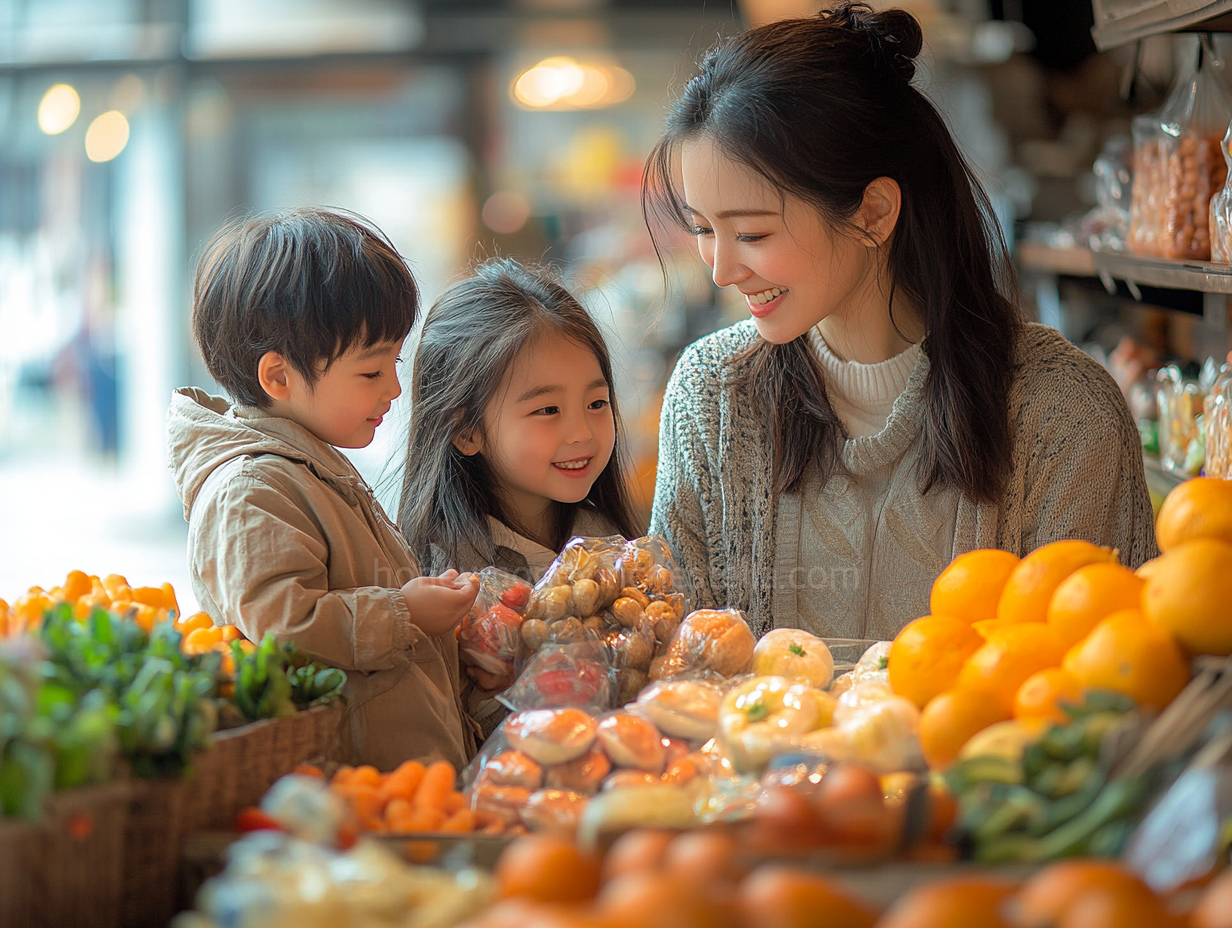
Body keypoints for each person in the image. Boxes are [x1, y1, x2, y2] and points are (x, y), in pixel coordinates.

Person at [642, 3, 1157, 642]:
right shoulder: (711, 397)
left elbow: (1099, 690)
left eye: (751, 232)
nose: (720, 271)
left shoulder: (1063, 417)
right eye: (701, 229)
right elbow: (675, 669)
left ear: (874, 213)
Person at [167, 208, 478, 772]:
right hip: (346, 792)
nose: (395, 388)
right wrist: (404, 614)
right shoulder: (250, 489)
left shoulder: (310, 462)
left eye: (396, 362)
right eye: (371, 372)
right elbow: (284, 628)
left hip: (398, 786)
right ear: (279, 378)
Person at [397, 258, 641, 730]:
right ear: (466, 431)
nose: (581, 433)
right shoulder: (442, 581)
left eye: (596, 402)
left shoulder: (607, 544)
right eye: (548, 409)